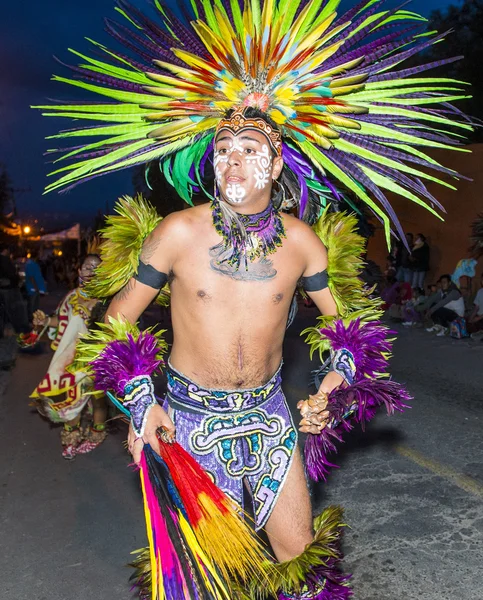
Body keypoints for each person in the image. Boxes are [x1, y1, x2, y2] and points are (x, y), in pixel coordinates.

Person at [36, 0, 475, 596]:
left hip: (270, 422)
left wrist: (331, 391)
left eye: (247, 149)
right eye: (222, 150)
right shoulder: (178, 234)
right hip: (186, 425)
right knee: (202, 579)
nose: (231, 161)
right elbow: (113, 324)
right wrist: (142, 406)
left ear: (277, 162)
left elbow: (355, 335)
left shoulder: (302, 244)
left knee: (303, 563)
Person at [30, 253, 108, 459]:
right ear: (80, 271)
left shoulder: (108, 298)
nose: (91, 271)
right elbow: (60, 321)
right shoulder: (72, 297)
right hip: (72, 358)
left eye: (96, 268)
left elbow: (113, 327)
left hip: (98, 356)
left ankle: (96, 434)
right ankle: (71, 437)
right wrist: (45, 320)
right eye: (87, 267)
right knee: (69, 399)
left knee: (98, 399)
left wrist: (94, 314)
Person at [24, 250, 46, 321]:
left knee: (35, 305)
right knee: (32, 305)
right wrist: (36, 287)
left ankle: (34, 319)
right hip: (33, 288)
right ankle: (31, 319)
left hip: (35, 287)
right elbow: (31, 277)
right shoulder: (30, 264)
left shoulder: (33, 263)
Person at [468, 273, 483, 339]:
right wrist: (471, 318)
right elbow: (476, 307)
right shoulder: (480, 291)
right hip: (479, 317)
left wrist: (478, 318)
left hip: (481, 317)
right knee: (467, 323)